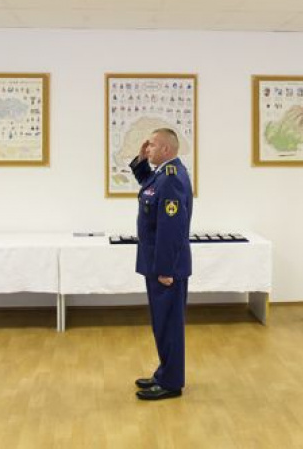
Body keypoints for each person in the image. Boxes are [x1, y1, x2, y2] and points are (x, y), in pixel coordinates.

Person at [129, 128, 193, 401]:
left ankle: (171, 382)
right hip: (157, 264)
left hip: (166, 268)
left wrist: (165, 269)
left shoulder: (172, 179)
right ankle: (165, 373)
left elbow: (172, 230)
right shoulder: (162, 175)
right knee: (162, 324)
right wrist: (141, 159)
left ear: (166, 149)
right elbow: (148, 187)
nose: (148, 148)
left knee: (169, 326)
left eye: (152, 145)